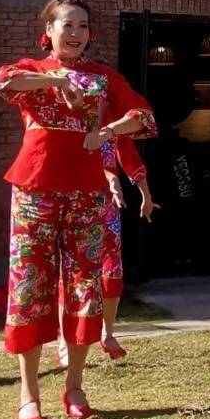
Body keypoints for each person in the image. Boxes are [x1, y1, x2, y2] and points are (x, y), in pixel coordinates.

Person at [0, 0, 156, 419]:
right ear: (48, 31)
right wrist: (57, 81)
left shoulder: (104, 76)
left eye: (83, 26)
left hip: (87, 192)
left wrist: (108, 130)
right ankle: (29, 394)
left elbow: (143, 116)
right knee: (29, 284)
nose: (75, 33)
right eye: (67, 24)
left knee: (86, 284)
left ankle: (75, 386)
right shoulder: (32, 69)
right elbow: (3, 82)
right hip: (34, 188)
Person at [56, 133, 156, 369]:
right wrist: (109, 177)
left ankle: (107, 333)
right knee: (71, 273)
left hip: (107, 205)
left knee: (112, 270)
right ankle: (64, 342)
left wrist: (146, 195)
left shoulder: (112, 126)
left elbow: (129, 156)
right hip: (76, 202)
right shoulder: (73, 122)